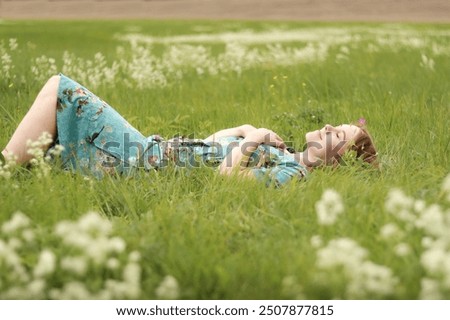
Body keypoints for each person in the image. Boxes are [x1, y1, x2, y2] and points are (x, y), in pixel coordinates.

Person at [1, 74, 377, 186]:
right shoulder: (285, 154)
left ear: (336, 160)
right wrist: (245, 129)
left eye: (337, 135)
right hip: (151, 150)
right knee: (46, 148)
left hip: (142, 160)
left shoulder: (293, 173)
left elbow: (227, 177)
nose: (328, 126)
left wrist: (255, 137)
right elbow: (210, 145)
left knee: (60, 88)